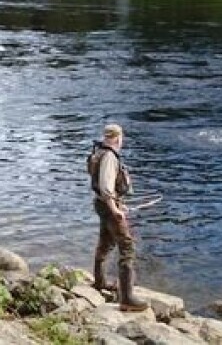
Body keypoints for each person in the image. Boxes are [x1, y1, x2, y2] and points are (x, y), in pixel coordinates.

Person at [86, 123, 149, 312]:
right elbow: (106, 186)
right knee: (127, 246)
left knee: (105, 241)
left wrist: (114, 205)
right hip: (107, 204)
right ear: (118, 138)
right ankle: (127, 298)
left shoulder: (98, 152)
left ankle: (100, 282)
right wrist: (115, 209)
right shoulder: (110, 157)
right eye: (121, 138)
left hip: (100, 203)